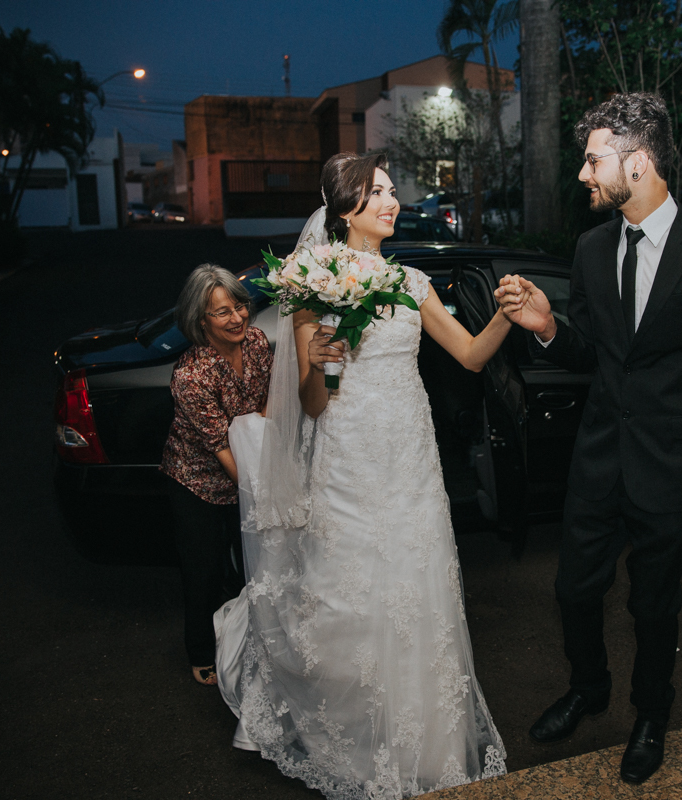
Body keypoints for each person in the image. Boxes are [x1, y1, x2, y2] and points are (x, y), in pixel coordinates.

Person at [496, 93, 682, 784]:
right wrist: (547, 326)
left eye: (594, 160)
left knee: (653, 604)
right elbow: (594, 354)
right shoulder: (591, 249)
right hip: (599, 459)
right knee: (573, 590)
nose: (584, 174)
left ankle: (651, 714)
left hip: (674, 468)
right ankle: (588, 689)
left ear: (639, 162)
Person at [214, 152, 508, 798]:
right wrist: (321, 362)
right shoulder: (311, 287)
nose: (392, 201)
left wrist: (507, 315)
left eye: (393, 191)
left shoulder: (414, 283)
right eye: (377, 192)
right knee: (347, 598)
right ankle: (353, 741)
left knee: (418, 587)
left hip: (411, 462)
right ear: (346, 207)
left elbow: (469, 354)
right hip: (346, 463)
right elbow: (314, 404)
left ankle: (426, 746)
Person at [161, 264, 271, 685]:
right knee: (203, 569)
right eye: (222, 312)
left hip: (248, 465)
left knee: (253, 565)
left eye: (239, 306)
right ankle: (201, 652)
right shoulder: (190, 376)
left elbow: (269, 402)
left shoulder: (257, 342)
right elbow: (221, 445)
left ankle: (253, 640)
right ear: (200, 320)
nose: (238, 317)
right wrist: (261, 491)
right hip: (198, 480)